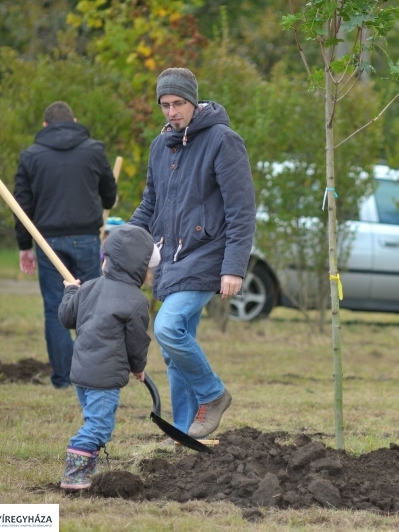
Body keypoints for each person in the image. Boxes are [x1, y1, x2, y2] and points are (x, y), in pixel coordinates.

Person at [129, 67, 256, 440]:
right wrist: (124, 241)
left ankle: (213, 394)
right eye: (165, 105)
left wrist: (234, 267)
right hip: (170, 259)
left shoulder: (223, 141)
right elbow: (150, 204)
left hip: (207, 255)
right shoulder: (161, 145)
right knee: (174, 351)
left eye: (178, 103)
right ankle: (185, 434)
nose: (171, 112)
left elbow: (241, 210)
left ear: (193, 101)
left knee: (168, 328)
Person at [14, 101, 118, 389]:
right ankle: (91, 374)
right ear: (74, 121)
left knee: (55, 308)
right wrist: (103, 202)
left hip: (47, 242)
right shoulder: (93, 150)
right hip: (86, 237)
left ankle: (63, 379)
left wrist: (24, 245)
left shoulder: (30, 156)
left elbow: (21, 205)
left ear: (45, 126)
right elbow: (109, 194)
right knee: (91, 307)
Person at [57, 224, 160, 490]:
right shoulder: (135, 300)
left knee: (95, 422)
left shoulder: (89, 288)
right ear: (138, 268)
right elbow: (137, 341)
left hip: (81, 373)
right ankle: (73, 474)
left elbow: (66, 318)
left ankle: (86, 470)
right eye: (149, 270)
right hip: (104, 378)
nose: (150, 274)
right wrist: (138, 366)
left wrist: (71, 291)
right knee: (99, 427)